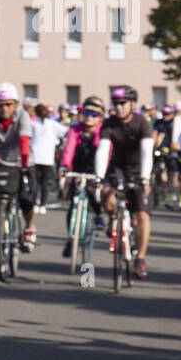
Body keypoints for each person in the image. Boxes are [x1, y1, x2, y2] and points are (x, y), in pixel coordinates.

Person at [96, 85, 154, 278]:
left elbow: (147, 152)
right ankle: (114, 219)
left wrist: (145, 178)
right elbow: (103, 150)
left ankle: (140, 258)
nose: (119, 107)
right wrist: (99, 176)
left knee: (143, 215)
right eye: (116, 103)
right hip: (117, 169)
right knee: (106, 195)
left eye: (123, 103)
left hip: (138, 171)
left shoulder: (142, 123)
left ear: (132, 104)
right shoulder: (109, 124)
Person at [0, 82, 36, 250]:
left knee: (26, 199)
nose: (4, 108)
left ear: (16, 104)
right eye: (0, 104)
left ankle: (28, 228)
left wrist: (25, 167)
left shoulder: (22, 116)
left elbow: (24, 141)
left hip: (22, 161)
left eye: (8, 104)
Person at [59, 97, 106, 256]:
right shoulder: (75, 130)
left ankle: (99, 215)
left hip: (96, 168)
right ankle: (71, 238)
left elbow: (104, 153)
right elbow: (69, 149)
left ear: (100, 117)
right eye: (86, 113)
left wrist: (100, 175)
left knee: (94, 191)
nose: (89, 117)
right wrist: (65, 167)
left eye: (94, 114)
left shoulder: (102, 131)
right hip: (78, 168)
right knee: (73, 204)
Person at [29, 102, 66, 213]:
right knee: (44, 183)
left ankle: (35, 203)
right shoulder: (53, 124)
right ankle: (43, 205)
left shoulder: (34, 124)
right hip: (47, 158)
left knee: (34, 182)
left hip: (34, 157)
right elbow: (65, 132)